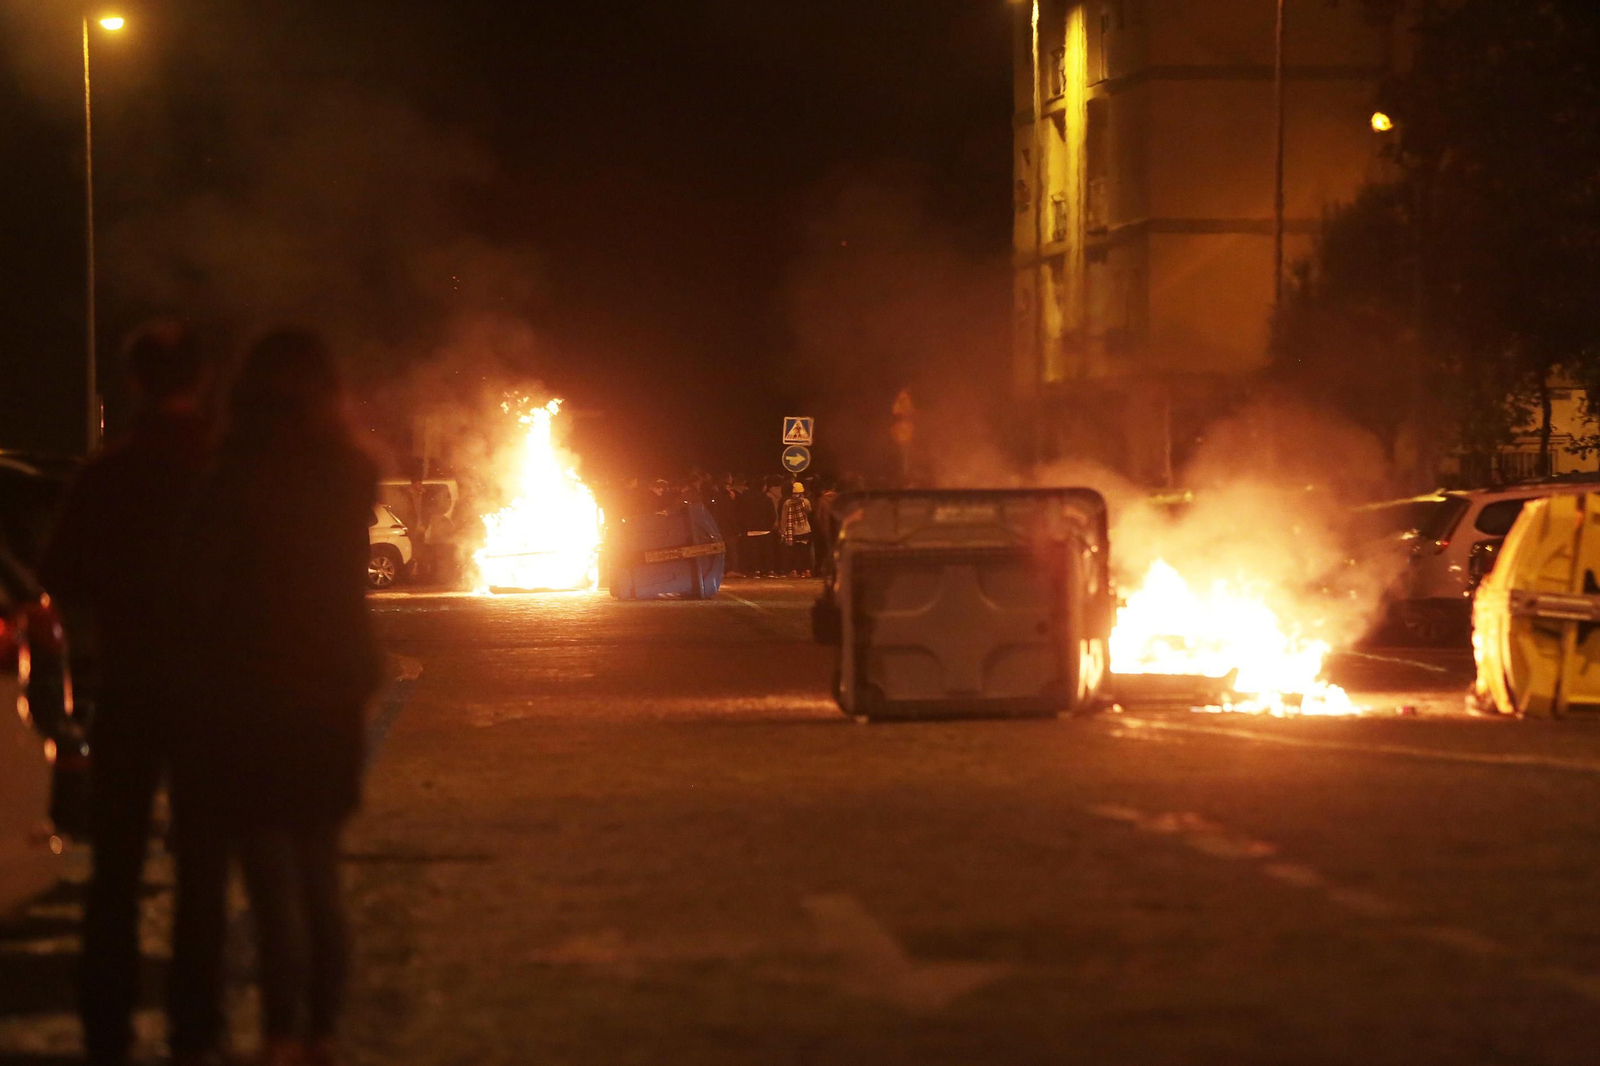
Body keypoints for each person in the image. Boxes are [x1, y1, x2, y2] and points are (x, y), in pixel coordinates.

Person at [184, 329, 384, 1066]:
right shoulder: (353, 471)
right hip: (334, 684)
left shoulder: (236, 474)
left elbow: (203, 584)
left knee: (271, 876)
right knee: (320, 869)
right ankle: (323, 1029)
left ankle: (280, 1034)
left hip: (256, 689)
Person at [42, 320, 230, 1066]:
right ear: (203, 378)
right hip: (212, 693)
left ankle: (107, 1029)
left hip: (129, 686)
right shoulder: (222, 470)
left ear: (134, 383)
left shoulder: (108, 474)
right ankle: (194, 1029)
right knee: (204, 867)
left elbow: (61, 576)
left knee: (115, 871)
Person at [778, 481, 813, 577]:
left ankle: (794, 571)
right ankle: (806, 571)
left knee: (794, 552)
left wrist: (782, 531)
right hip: (805, 530)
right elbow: (809, 512)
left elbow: (784, 518)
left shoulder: (787, 503)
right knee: (805, 552)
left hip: (792, 531)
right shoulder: (806, 502)